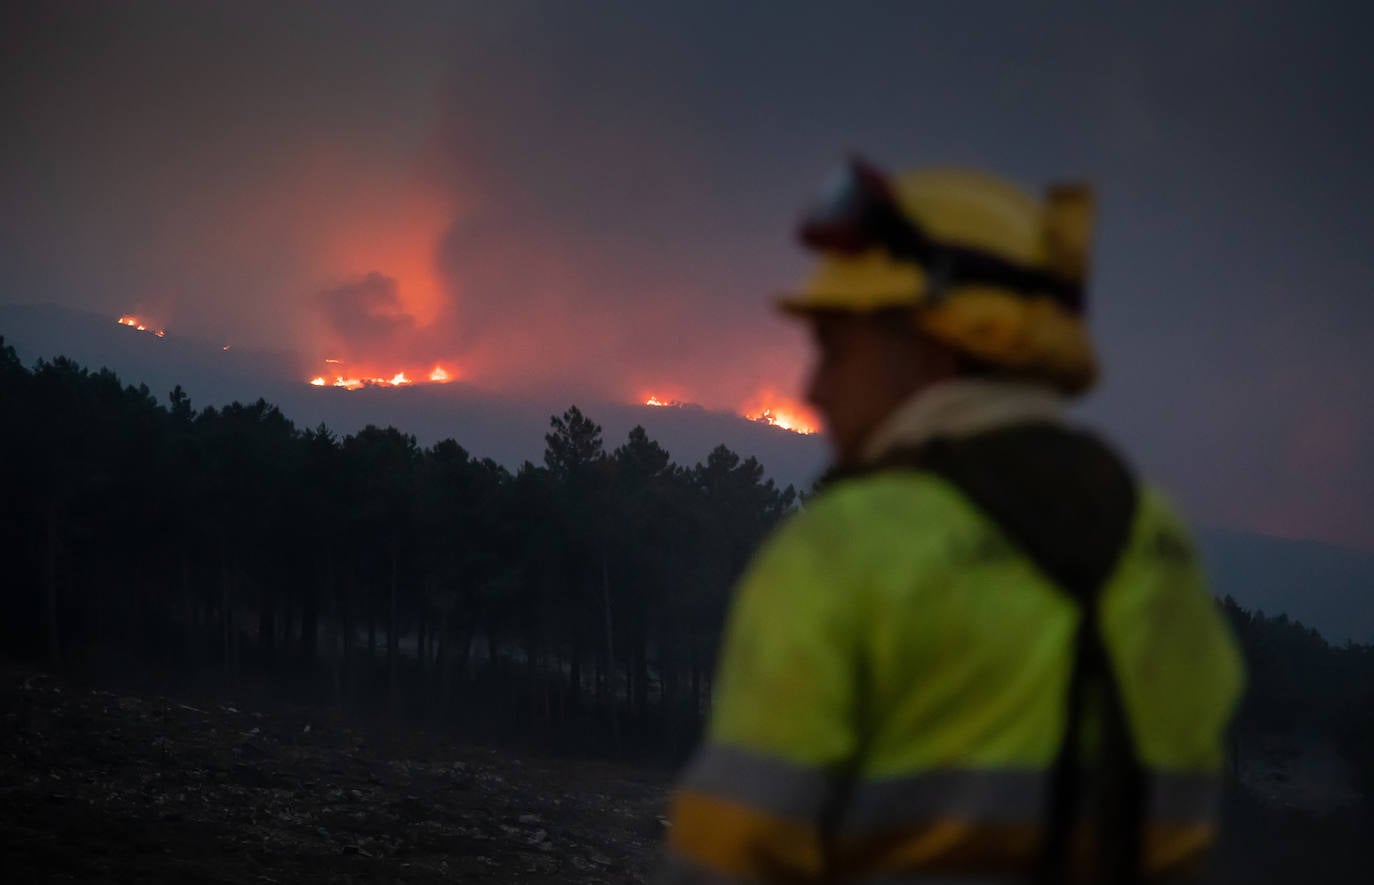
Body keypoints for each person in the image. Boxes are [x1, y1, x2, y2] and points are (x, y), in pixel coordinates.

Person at [660, 158, 1245, 883]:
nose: (812, 389)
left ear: (935, 345)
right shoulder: (1156, 539)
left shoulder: (842, 547)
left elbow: (732, 853)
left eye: (836, 350)